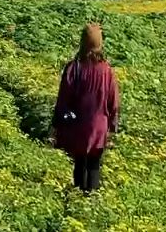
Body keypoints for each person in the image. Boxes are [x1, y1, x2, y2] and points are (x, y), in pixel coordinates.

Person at [51, 22, 120, 193]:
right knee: (94, 165)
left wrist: (56, 125)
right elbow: (114, 102)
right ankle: (92, 199)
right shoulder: (107, 70)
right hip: (99, 128)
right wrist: (113, 127)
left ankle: (78, 198)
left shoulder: (74, 68)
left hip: (77, 128)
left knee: (79, 164)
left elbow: (63, 99)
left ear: (83, 42)